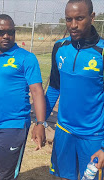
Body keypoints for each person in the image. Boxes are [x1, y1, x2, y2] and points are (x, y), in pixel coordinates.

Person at [34, 0, 104, 179]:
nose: (73, 25)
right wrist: (40, 123)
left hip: (93, 136)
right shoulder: (60, 47)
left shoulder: (101, 51)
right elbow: (54, 89)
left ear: (92, 17)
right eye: (68, 19)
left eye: (79, 18)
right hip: (64, 132)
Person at [0, 14, 46, 180]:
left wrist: (40, 123)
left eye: (10, 32)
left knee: (7, 175)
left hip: (15, 125)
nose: (6, 36)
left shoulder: (26, 58)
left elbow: (37, 91)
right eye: (1, 32)